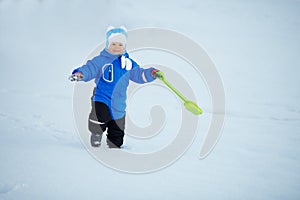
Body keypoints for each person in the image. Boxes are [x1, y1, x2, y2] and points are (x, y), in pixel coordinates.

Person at [70, 26, 160, 148]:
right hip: (102, 96)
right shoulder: (101, 60)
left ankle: (114, 147)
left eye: (120, 44)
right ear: (107, 44)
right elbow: (90, 68)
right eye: (113, 44)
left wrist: (151, 73)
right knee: (100, 116)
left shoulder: (128, 64)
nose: (117, 47)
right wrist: (81, 73)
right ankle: (96, 133)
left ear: (125, 46)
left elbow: (139, 74)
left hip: (119, 100)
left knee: (117, 129)